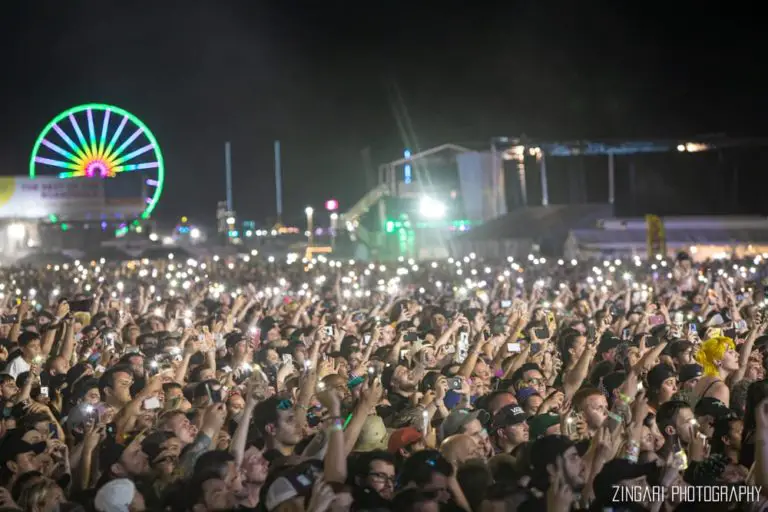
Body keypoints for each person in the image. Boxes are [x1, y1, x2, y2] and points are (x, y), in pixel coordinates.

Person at [694, 336, 740, 406]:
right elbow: (721, 417)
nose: (737, 354)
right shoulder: (721, 388)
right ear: (717, 361)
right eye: (730, 352)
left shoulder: (702, 380)